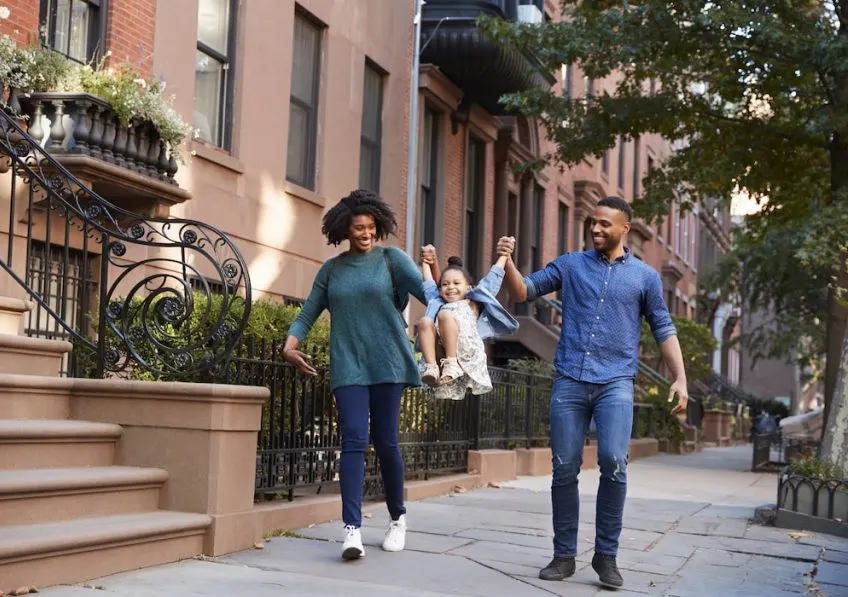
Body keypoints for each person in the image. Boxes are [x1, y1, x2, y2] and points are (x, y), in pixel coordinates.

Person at [501, 197, 689, 589]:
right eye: (593, 223)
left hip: (616, 381)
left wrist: (680, 378)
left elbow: (663, 327)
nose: (596, 229)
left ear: (625, 228)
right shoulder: (571, 265)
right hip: (570, 377)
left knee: (613, 461)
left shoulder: (645, 277)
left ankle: (606, 556)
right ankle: (564, 556)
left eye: (605, 224)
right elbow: (523, 291)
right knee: (564, 467)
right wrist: (507, 261)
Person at [283, 188, 428, 561]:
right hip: (349, 364)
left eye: (369, 227)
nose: (364, 233)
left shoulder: (391, 259)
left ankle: (398, 518)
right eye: (357, 228)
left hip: (389, 363)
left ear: (377, 227)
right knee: (352, 439)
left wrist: (453, 310)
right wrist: (289, 345)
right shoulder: (331, 270)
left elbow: (432, 294)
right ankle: (352, 529)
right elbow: (308, 312)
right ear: (345, 231)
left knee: (386, 442)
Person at [415, 239, 518, 402]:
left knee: (444, 316)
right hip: (442, 351)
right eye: (445, 284)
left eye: (456, 283)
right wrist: (426, 263)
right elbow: (428, 284)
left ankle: (452, 363)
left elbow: (492, 278)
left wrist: (504, 255)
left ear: (468, 287)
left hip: (467, 353)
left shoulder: (473, 301)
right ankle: (432, 368)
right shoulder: (437, 301)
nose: (450, 287)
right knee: (425, 322)